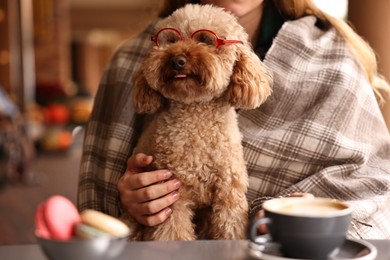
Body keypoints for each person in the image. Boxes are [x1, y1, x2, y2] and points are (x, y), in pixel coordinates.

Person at [77, 0, 390, 239]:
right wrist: (130, 201)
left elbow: (375, 190)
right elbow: (96, 213)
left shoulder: (337, 61)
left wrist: (314, 211)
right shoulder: (130, 60)